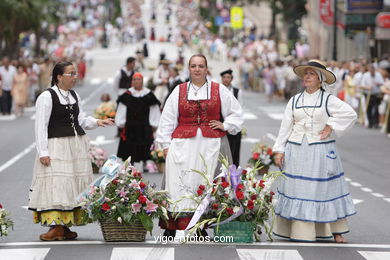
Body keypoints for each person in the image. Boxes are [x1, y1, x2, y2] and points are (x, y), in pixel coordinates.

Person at [156, 54, 243, 238]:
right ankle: (174, 224)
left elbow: (236, 113)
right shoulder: (179, 90)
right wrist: (164, 144)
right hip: (182, 145)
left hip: (210, 145)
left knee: (204, 183)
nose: (197, 69)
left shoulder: (219, 90)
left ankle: (200, 225)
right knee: (180, 183)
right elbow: (167, 119)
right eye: (193, 66)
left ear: (206, 69)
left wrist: (225, 125)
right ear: (189, 69)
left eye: (200, 66)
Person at [272, 60, 357, 243]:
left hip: (320, 151)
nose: (307, 77)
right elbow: (285, 126)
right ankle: (299, 231)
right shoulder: (295, 100)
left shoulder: (328, 99)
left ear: (319, 79)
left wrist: (330, 125)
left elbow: (350, 114)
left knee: (325, 189)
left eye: (311, 74)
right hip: (296, 151)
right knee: (298, 189)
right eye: (306, 74)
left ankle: (336, 232)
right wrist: (279, 150)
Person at [28, 61, 114, 241]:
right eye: (71, 74)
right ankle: (56, 226)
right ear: (59, 77)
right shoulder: (47, 96)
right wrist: (43, 151)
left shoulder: (74, 95)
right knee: (57, 183)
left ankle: (65, 226)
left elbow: (81, 120)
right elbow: (40, 126)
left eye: (75, 74)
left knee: (72, 184)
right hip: (56, 145)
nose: (75, 77)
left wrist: (98, 122)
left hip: (75, 145)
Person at [115, 72, 161, 167]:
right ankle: (131, 163)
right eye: (134, 79)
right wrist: (121, 123)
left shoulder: (148, 95)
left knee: (145, 144)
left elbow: (154, 109)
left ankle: (145, 162)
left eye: (138, 79)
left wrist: (154, 124)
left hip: (144, 125)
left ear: (142, 81)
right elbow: (121, 109)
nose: (136, 81)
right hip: (130, 125)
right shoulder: (127, 95)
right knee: (130, 146)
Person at [220, 69, 242, 167]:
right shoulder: (217, 90)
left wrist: (236, 124)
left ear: (231, 79)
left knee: (234, 152)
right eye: (224, 77)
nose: (226, 79)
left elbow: (241, 109)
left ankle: (233, 174)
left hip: (233, 125)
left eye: (228, 77)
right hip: (221, 125)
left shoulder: (237, 92)